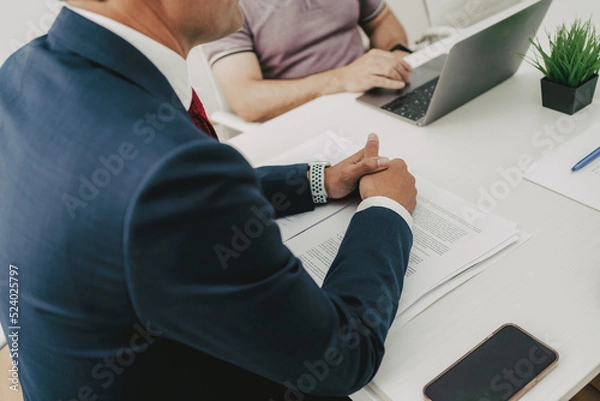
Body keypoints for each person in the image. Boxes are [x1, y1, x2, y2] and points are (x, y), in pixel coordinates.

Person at [0, 1, 417, 400]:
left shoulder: (24, 69)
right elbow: (341, 357)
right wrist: (386, 209)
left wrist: (319, 181)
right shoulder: (169, 174)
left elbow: (143, 201)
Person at [202, 0, 414, 122]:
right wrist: (341, 79)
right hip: (307, 120)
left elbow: (382, 20)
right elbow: (247, 100)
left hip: (375, 98)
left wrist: (395, 52)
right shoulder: (226, 8)